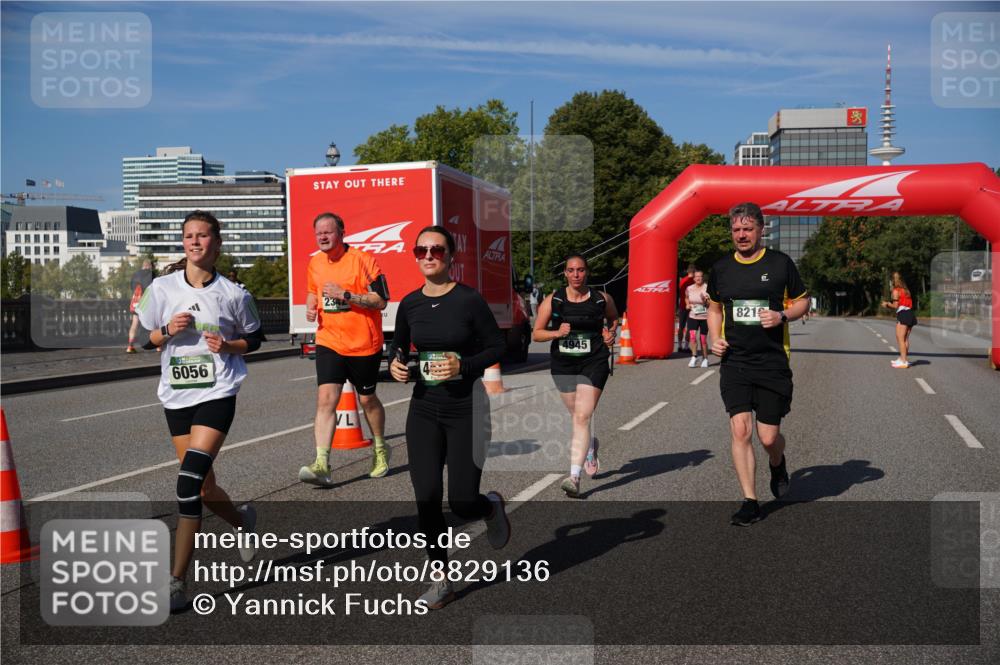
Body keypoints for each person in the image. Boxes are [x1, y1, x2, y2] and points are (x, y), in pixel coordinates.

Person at [135, 211, 262, 612]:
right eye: (189, 236)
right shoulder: (162, 288)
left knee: (187, 484)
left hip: (218, 392)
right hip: (176, 395)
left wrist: (228, 346)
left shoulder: (233, 293)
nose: (195, 242)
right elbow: (144, 341)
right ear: (183, 242)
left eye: (203, 236)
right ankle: (243, 522)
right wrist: (169, 330)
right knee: (204, 488)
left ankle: (176, 582)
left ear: (216, 244)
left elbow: (254, 339)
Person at [388, 225, 510, 609]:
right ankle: (442, 581)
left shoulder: (468, 300)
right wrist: (397, 365)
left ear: (450, 256)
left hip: (467, 408)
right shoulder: (409, 304)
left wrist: (463, 365)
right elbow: (400, 345)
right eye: (421, 249)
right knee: (426, 498)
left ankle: (489, 507)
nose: (427, 256)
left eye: (436, 250)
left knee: (460, 502)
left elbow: (496, 345)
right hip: (423, 408)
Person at [707, 202, 810, 527]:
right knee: (741, 430)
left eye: (747, 229)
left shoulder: (780, 264)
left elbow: (803, 301)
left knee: (767, 437)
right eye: (736, 230)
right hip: (735, 360)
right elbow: (714, 308)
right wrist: (713, 338)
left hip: (772, 362)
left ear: (761, 230)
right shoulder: (721, 269)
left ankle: (777, 462)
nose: (741, 235)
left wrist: (782, 315)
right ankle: (750, 501)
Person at [300, 212, 391, 485]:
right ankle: (321, 463)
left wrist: (347, 296)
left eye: (328, 232)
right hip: (329, 340)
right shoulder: (315, 263)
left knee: (367, 400)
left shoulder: (364, 261)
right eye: (319, 234)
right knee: (326, 399)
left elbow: (382, 300)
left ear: (342, 233)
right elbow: (313, 290)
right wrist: (310, 303)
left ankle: (379, 448)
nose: (323, 237)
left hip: (363, 342)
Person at [532, 255, 618, 498]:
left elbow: (613, 318)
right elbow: (536, 334)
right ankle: (590, 445)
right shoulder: (554, 300)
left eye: (580, 270)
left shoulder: (602, 298)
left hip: (595, 361)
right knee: (575, 415)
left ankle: (574, 476)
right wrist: (556, 333)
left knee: (582, 416)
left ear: (587, 272)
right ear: (565, 274)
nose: (576, 274)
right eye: (571, 270)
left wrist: (611, 333)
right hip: (564, 363)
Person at [881, 272, 917, 368]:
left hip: (903, 314)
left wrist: (887, 304)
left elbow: (896, 305)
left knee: (900, 338)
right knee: (905, 339)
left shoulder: (896, 291)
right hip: (910, 314)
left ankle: (904, 361)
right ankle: (902, 358)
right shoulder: (905, 290)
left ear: (892, 281)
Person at [126, 259, 154, 353]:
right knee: (155, 323)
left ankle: (130, 346)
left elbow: (131, 287)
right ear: (150, 266)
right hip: (147, 302)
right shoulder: (151, 275)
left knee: (134, 324)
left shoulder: (136, 275)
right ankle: (158, 345)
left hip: (136, 302)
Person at [685, 269, 710, 368]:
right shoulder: (689, 288)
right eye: (696, 276)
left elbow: (710, 303)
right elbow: (686, 297)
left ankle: (705, 358)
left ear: (703, 277)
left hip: (705, 317)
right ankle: (694, 357)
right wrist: (687, 304)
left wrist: (705, 301)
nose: (698, 278)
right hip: (693, 316)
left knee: (703, 339)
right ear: (694, 278)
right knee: (692, 336)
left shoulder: (707, 288)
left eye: (700, 276)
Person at [676, 264, 696, 352]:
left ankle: (679, 345)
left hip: (682, 306)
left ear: (687, 271)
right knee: (689, 327)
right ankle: (686, 346)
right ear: (694, 272)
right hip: (691, 306)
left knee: (681, 327)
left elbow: (679, 293)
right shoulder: (695, 281)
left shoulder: (682, 281)